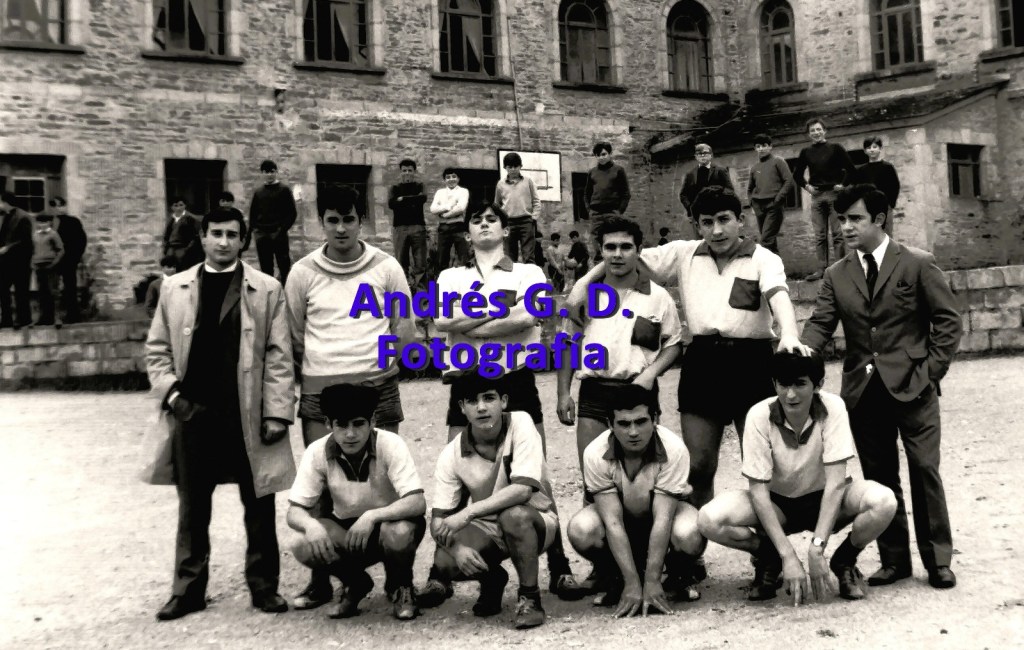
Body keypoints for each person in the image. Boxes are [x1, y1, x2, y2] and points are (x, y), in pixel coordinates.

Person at [567, 186, 811, 583]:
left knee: (763, 466)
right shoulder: (683, 253)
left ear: (740, 220)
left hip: (752, 362)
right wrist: (589, 279)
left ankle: (768, 555)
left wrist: (789, 334)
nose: (716, 230)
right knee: (699, 466)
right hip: (702, 363)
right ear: (697, 225)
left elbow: (778, 296)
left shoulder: (764, 258)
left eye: (724, 220)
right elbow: (621, 261)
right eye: (707, 222)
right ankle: (690, 554)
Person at [420, 202, 584, 603]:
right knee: (459, 472)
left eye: (492, 219)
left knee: (536, 477)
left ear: (506, 229)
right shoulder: (450, 275)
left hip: (515, 378)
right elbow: (440, 321)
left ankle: (559, 568)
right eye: (477, 220)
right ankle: (441, 569)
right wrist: (501, 314)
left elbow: (531, 317)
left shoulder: (529, 272)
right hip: (466, 381)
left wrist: (472, 322)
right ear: (467, 233)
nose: (484, 225)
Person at [801, 184, 962, 590]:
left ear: (879, 218)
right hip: (863, 391)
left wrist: (930, 371)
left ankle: (938, 559)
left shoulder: (917, 263)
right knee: (880, 478)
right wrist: (801, 353)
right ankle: (894, 561)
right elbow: (821, 323)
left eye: (855, 218)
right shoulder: (837, 274)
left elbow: (948, 321)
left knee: (925, 470)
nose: (845, 227)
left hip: (916, 387)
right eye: (841, 220)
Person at [144, 207, 296, 621]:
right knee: (193, 507)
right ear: (204, 237)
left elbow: (279, 356)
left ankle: (265, 587)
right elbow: (156, 351)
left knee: (259, 503)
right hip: (192, 413)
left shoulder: (266, 289)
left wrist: (277, 413)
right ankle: (188, 590)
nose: (224, 241)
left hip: (246, 412)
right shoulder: (174, 288)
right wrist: (173, 397)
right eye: (216, 233)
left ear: (243, 239)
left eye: (232, 234)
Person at [284, 186, 417, 610]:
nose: (341, 229)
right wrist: (326, 365)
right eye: (332, 220)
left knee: (385, 481)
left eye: (349, 220)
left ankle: (400, 582)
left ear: (362, 221)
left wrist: (378, 369)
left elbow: (404, 326)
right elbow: (293, 333)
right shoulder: (302, 272)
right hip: (320, 389)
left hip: (375, 387)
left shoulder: (386, 266)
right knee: (321, 488)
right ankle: (327, 581)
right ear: (320, 222)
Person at [699, 351, 898, 604]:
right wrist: (788, 556)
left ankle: (844, 560)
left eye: (800, 384)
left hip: (824, 499)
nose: (790, 395)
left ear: (818, 385)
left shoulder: (833, 406)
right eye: (783, 384)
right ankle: (769, 558)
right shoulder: (759, 415)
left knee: (884, 501)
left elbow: (836, 482)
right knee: (709, 519)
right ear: (774, 384)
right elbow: (758, 491)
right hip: (777, 503)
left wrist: (817, 548)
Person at [421, 374, 560, 629]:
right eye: (473, 401)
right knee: (445, 562)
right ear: (462, 408)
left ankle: (529, 598)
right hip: (489, 525)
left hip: (535, 520)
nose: (482, 407)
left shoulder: (521, 422)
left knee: (514, 516)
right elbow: (438, 521)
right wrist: (457, 550)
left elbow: (522, 491)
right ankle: (492, 578)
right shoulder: (451, 453)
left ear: (503, 401)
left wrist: (469, 512)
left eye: (489, 398)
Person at [286, 383, 426, 620]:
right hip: (347, 532)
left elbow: (417, 502)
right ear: (329, 424)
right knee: (301, 542)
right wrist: (311, 525)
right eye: (341, 425)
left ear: (372, 421)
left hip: (387, 529)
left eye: (359, 424)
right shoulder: (317, 451)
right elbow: (294, 511)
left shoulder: (390, 444)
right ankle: (355, 583)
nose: (350, 434)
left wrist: (372, 516)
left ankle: (403, 587)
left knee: (399, 531)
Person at [557, 216, 683, 480]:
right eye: (610, 247)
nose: (617, 254)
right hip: (595, 391)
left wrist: (650, 374)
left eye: (625, 247)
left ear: (638, 251)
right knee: (594, 481)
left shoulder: (658, 297)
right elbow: (568, 344)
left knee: (642, 478)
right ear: (600, 252)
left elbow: (673, 345)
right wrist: (563, 394)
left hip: (638, 392)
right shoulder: (585, 298)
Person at [567, 384, 704, 615]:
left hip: (662, 519)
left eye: (641, 422)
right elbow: (612, 522)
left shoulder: (674, 449)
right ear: (610, 424)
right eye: (623, 423)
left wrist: (651, 581)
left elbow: (663, 519)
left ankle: (676, 575)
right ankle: (619, 579)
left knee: (690, 533)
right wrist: (632, 583)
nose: (633, 432)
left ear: (655, 419)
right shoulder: (594, 452)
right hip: (623, 520)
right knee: (581, 529)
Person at [792, 118, 858, 280]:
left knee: (837, 234)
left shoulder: (835, 148)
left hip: (834, 196)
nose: (816, 133)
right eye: (812, 130)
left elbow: (851, 169)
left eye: (818, 129)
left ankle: (840, 269)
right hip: (817, 198)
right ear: (808, 134)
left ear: (825, 131)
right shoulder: (805, 152)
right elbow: (797, 175)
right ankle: (822, 270)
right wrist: (807, 187)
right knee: (820, 236)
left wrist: (842, 185)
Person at [248, 159, 298, 283]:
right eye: (266, 172)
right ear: (262, 173)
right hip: (262, 234)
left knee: (284, 266)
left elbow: (292, 213)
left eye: (272, 171)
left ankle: (287, 293)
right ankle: (270, 294)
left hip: (278, 233)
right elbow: (253, 214)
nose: (269, 174)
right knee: (266, 268)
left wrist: (282, 230)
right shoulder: (259, 192)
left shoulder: (284, 190)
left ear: (276, 172)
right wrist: (256, 230)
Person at [746, 134, 795, 254]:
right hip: (759, 207)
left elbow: (789, 181)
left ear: (770, 146)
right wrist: (752, 203)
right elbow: (749, 189)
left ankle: (760, 271)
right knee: (771, 244)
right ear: (755, 149)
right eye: (758, 146)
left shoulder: (778, 161)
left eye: (764, 145)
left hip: (773, 206)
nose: (761, 149)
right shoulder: (755, 168)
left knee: (765, 241)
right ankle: (777, 271)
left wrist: (778, 200)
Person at [388, 159, 429, 294]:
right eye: (404, 170)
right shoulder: (395, 188)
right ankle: (403, 292)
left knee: (420, 262)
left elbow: (422, 198)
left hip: (418, 227)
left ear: (414, 172)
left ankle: (421, 295)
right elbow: (391, 204)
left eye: (410, 170)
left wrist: (402, 199)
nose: (407, 173)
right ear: (401, 172)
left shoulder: (420, 186)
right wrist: (411, 199)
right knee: (401, 261)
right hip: (400, 228)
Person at [495, 152, 542, 264]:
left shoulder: (528, 181)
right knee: (510, 255)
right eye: (510, 167)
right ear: (505, 167)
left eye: (516, 166)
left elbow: (536, 200)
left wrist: (534, 217)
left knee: (529, 254)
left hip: (526, 221)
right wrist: (501, 221)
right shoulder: (500, 184)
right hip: (509, 222)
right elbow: (497, 205)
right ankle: (512, 279)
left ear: (521, 166)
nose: (513, 169)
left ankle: (529, 280)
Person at [852, 136, 901, 236]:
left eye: (874, 147)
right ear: (865, 151)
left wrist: (890, 204)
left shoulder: (887, 167)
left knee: (886, 233)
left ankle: (887, 252)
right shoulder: (861, 170)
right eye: (869, 148)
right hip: (868, 207)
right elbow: (857, 188)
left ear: (880, 149)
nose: (872, 150)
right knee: (870, 234)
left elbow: (895, 186)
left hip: (884, 205)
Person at [0, 191, 33, 329]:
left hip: (20, 262)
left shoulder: (23, 217)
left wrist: (8, 248)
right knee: (2, 289)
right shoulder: (6, 216)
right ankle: (6, 319)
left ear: (6, 202)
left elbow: (25, 241)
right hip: (5, 262)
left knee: (21, 291)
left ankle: (24, 320)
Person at [50, 197, 86, 323]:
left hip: (69, 260)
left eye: (60, 206)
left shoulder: (73, 222)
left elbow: (81, 240)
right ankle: (52, 316)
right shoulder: (50, 223)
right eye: (55, 206)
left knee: (70, 287)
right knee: (51, 289)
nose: (58, 209)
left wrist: (75, 257)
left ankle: (73, 315)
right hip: (52, 261)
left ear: (65, 207)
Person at [679, 143, 734, 224]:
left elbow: (729, 190)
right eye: (699, 154)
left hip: (718, 211)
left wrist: (721, 204)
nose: (702, 156)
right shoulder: (690, 174)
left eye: (705, 153)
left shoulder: (720, 171)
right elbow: (683, 194)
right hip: (698, 214)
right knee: (701, 236)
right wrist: (690, 207)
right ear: (695, 156)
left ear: (711, 155)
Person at [429, 167, 470, 270]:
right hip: (443, 228)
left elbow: (461, 208)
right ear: (444, 180)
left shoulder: (463, 191)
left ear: (458, 178)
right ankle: (442, 282)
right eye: (448, 177)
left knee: (463, 257)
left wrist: (445, 215)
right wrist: (447, 207)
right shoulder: (440, 192)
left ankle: (465, 283)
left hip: (458, 226)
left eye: (454, 176)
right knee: (442, 258)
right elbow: (433, 209)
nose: (451, 179)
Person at [30, 213, 65, 327]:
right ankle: (44, 318)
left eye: (45, 222)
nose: (42, 225)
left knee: (53, 292)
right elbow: (31, 250)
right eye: (40, 222)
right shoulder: (35, 235)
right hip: (38, 266)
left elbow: (60, 250)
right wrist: (32, 263)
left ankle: (57, 318)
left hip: (50, 266)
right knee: (42, 293)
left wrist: (54, 263)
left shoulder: (53, 234)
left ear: (49, 223)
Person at [584, 142, 631, 221]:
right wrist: (589, 210)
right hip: (595, 214)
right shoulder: (592, 172)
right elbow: (587, 193)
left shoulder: (619, 170)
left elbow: (626, 193)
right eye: (598, 155)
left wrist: (619, 211)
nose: (601, 157)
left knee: (613, 233)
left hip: (612, 213)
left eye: (603, 154)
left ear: (610, 154)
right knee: (594, 233)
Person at [161, 196, 203, 272]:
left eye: (181, 205)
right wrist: (166, 248)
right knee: (171, 269)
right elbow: (166, 235)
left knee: (183, 269)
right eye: (176, 206)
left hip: (183, 248)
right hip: (171, 249)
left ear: (185, 206)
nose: (178, 208)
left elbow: (195, 236)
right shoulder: (171, 219)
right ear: (172, 207)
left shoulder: (190, 219)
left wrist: (186, 249)